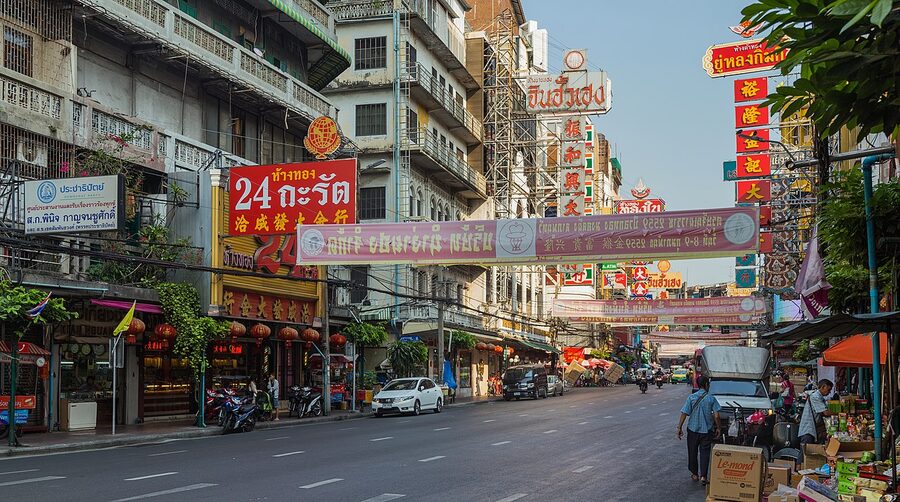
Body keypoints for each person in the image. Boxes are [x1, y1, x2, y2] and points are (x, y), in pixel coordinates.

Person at [676, 375, 722, 485]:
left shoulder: (691, 397)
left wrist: (679, 427)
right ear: (706, 385)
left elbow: (684, 413)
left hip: (693, 429)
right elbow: (716, 416)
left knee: (692, 451)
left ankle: (695, 474)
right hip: (707, 431)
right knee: (705, 453)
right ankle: (703, 476)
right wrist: (719, 428)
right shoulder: (711, 398)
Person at [799, 379, 834, 446]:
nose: (829, 392)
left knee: (809, 452)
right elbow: (826, 413)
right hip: (808, 430)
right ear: (823, 386)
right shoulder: (815, 397)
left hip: (812, 429)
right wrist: (840, 413)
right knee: (805, 453)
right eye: (828, 390)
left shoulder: (820, 397)